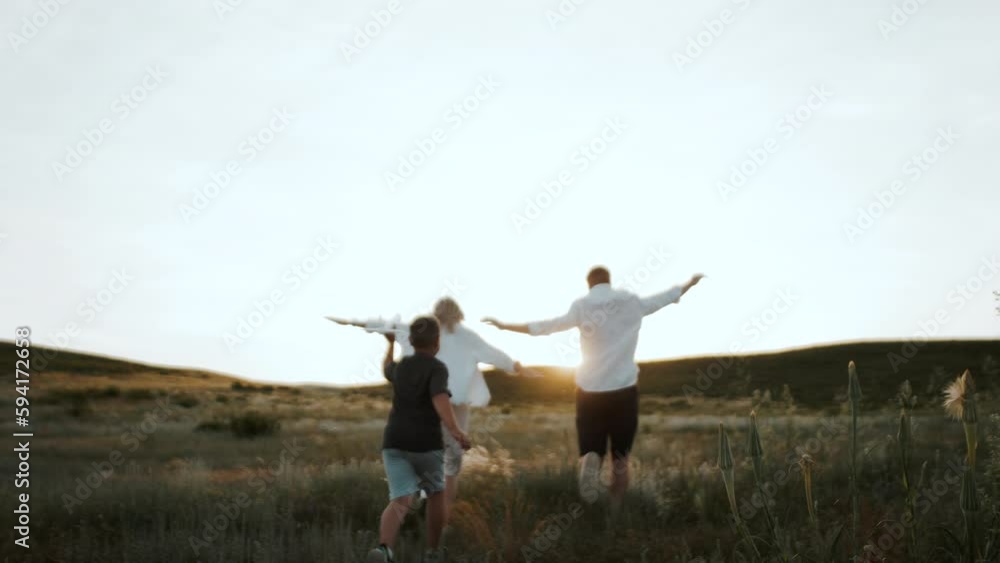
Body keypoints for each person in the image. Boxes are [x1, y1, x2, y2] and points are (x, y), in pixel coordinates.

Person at [483, 267, 704, 509]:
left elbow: (547, 326)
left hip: (589, 391)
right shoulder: (631, 301)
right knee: (620, 458)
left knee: (591, 448)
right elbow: (666, 298)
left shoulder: (582, 305)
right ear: (609, 281)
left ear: (589, 284)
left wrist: (505, 326)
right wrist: (691, 283)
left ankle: (591, 459)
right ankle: (615, 512)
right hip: (623, 390)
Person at [330, 298, 531, 522]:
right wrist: (516, 367)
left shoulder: (424, 331)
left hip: (427, 402)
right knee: (451, 462)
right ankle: (442, 513)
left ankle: (421, 504)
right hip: (456, 405)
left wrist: (350, 322)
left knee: (427, 454)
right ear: (458, 313)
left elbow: (384, 326)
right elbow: (493, 354)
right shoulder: (467, 337)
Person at [368, 316, 471, 563]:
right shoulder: (437, 368)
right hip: (426, 445)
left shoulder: (403, 366)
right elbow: (439, 398)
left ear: (412, 341)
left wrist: (390, 344)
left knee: (400, 499)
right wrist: (456, 431)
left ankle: (385, 549)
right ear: (437, 342)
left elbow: (387, 369)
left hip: (394, 443)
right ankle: (432, 553)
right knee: (436, 494)